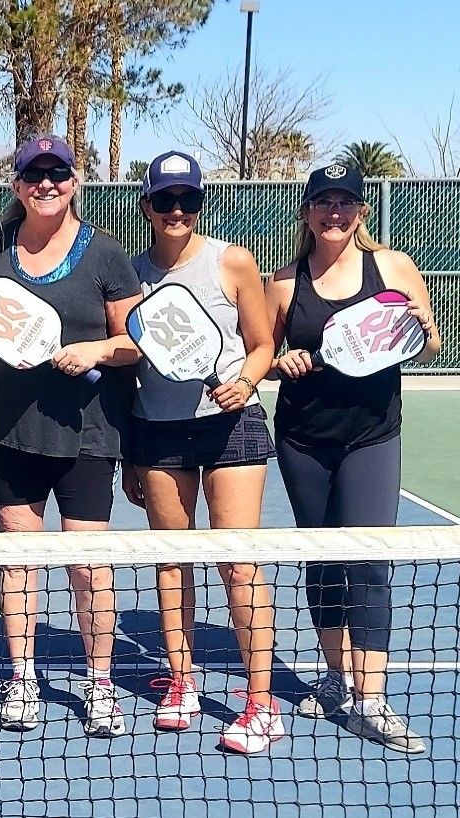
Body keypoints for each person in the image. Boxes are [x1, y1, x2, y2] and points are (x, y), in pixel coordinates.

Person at [0, 135, 141, 738]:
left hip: (89, 435)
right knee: (19, 557)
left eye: (57, 173)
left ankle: (100, 683)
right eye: (34, 174)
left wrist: (96, 348)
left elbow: (135, 342)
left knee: (89, 565)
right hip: (15, 434)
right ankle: (23, 678)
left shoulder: (107, 254)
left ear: (74, 180)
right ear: (17, 185)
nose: (46, 184)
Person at [266, 163, 440, 754]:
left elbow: (430, 339)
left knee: (368, 559)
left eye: (344, 203)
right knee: (321, 559)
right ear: (307, 212)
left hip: (371, 434)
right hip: (302, 439)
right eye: (323, 203)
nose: (333, 213)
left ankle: (372, 699)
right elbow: (261, 352)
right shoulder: (285, 282)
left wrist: (421, 326)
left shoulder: (390, 267)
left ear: (360, 211)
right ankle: (336, 676)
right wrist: (277, 363)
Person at [119, 151, 281, 754]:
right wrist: (131, 455)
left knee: (238, 562)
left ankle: (261, 703)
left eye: (189, 200)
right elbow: (127, 363)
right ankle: (182, 682)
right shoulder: (132, 275)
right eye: (166, 200)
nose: (178, 211)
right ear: (148, 206)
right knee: (173, 557)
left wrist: (248, 380)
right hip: (158, 433)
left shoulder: (233, 262)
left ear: (201, 205)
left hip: (230, 428)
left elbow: (263, 344)